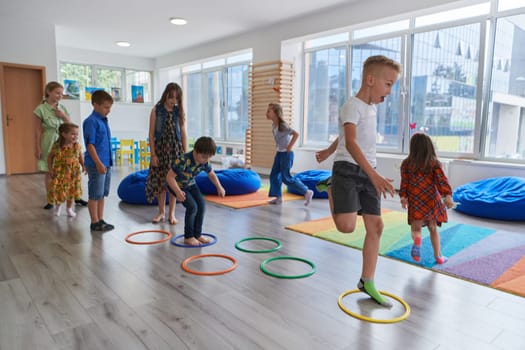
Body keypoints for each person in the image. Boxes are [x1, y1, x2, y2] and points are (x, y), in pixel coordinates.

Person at [316, 55, 401, 307]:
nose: (390, 91)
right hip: (348, 171)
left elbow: (344, 136)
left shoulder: (371, 109)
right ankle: (331, 186)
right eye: (388, 84)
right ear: (370, 79)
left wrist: (328, 151)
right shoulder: (351, 105)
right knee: (346, 227)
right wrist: (373, 175)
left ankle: (367, 280)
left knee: (376, 226)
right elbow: (350, 142)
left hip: (368, 170)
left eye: (393, 85)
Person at [399, 132, 454, 264]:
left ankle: (417, 241)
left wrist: (403, 196)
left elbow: (404, 183)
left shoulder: (406, 164)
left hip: (416, 200)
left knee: (416, 229)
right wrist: (447, 195)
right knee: (433, 228)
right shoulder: (434, 163)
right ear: (429, 147)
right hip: (431, 200)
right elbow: (442, 181)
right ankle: (439, 256)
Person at [34, 81, 88, 209]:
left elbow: (70, 125)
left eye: (61, 93)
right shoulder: (40, 109)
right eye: (57, 93)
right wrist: (37, 147)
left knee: (71, 169)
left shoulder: (62, 108)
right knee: (49, 171)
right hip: (49, 139)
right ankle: (51, 200)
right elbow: (37, 130)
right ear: (48, 92)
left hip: (66, 140)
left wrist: (63, 116)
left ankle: (76, 197)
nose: (60, 95)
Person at [166, 136, 225, 246]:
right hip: (176, 186)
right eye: (204, 157)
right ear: (196, 151)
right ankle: (188, 237)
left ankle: (197, 234)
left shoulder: (205, 162)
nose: (206, 160)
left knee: (202, 205)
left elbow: (211, 174)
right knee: (192, 207)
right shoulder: (183, 160)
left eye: (209, 157)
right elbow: (169, 177)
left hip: (190, 184)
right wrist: (178, 192)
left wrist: (219, 186)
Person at [145, 83, 187, 225]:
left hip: (175, 150)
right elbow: (151, 134)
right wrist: (153, 155)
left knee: (173, 182)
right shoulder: (156, 110)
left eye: (176, 98)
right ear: (166, 95)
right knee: (161, 182)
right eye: (171, 97)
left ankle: (172, 214)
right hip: (161, 150)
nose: (173, 101)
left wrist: (185, 153)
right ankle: (161, 212)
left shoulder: (178, 112)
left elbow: (183, 132)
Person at [266, 102, 313, 206]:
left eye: (269, 111)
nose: (267, 113)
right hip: (279, 153)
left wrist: (289, 147)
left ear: (276, 113)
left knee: (286, 177)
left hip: (286, 154)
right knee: (274, 175)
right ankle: (278, 198)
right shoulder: (274, 125)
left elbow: (296, 134)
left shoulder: (283, 125)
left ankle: (306, 191)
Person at [83, 90, 115, 232]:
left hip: (105, 163)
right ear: (95, 104)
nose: (108, 111)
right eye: (106, 107)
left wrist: (106, 163)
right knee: (94, 194)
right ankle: (94, 222)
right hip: (97, 164)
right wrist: (98, 163)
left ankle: (100, 219)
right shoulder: (91, 122)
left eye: (109, 107)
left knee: (102, 194)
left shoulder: (103, 120)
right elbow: (90, 145)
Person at [47, 123, 85, 217]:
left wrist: (83, 165)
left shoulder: (76, 146)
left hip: (74, 173)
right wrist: (51, 169)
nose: (75, 136)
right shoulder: (57, 146)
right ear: (64, 134)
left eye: (76, 134)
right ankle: (58, 206)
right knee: (60, 190)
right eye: (73, 134)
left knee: (71, 192)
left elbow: (80, 157)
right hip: (61, 173)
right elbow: (50, 158)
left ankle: (69, 208)